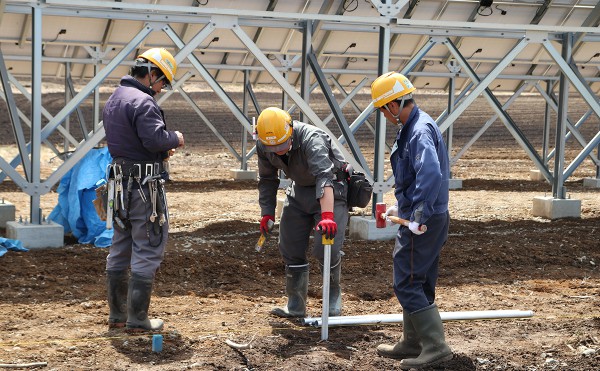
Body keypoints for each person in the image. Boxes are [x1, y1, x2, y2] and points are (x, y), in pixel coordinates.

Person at [370, 72, 453, 369]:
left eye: (382, 109)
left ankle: (435, 346)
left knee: (406, 280)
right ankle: (413, 341)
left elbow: (431, 174)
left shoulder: (418, 131)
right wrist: (400, 208)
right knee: (420, 279)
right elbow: (416, 179)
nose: (383, 115)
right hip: (427, 215)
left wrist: (416, 215)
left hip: (425, 220)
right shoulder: (412, 127)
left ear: (393, 106)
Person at [103, 48, 184, 332]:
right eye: (162, 82)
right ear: (152, 74)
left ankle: (118, 315)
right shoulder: (144, 102)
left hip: (119, 186)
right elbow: (153, 140)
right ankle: (138, 318)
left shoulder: (114, 98)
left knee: (121, 243)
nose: (161, 89)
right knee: (148, 244)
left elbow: (132, 142)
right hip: (143, 188)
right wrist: (174, 138)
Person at [256, 107, 349, 318]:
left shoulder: (311, 139)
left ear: (290, 130)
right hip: (299, 191)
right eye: (273, 147)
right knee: (290, 244)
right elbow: (267, 180)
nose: (278, 150)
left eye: (282, 144)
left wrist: (327, 216)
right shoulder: (265, 144)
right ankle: (296, 305)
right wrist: (267, 212)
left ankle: (333, 297)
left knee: (326, 247)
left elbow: (324, 177)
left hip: (330, 190)